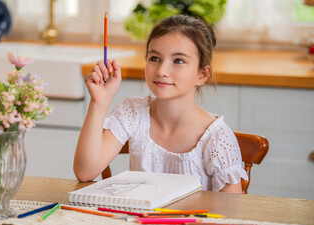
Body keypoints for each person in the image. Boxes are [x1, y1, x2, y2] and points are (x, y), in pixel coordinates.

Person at [74, 15, 248, 193]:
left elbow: (229, 214)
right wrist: (99, 103)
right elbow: (85, 172)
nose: (162, 71)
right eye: (155, 58)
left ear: (202, 75)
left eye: (178, 61)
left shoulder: (217, 139)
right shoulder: (133, 113)